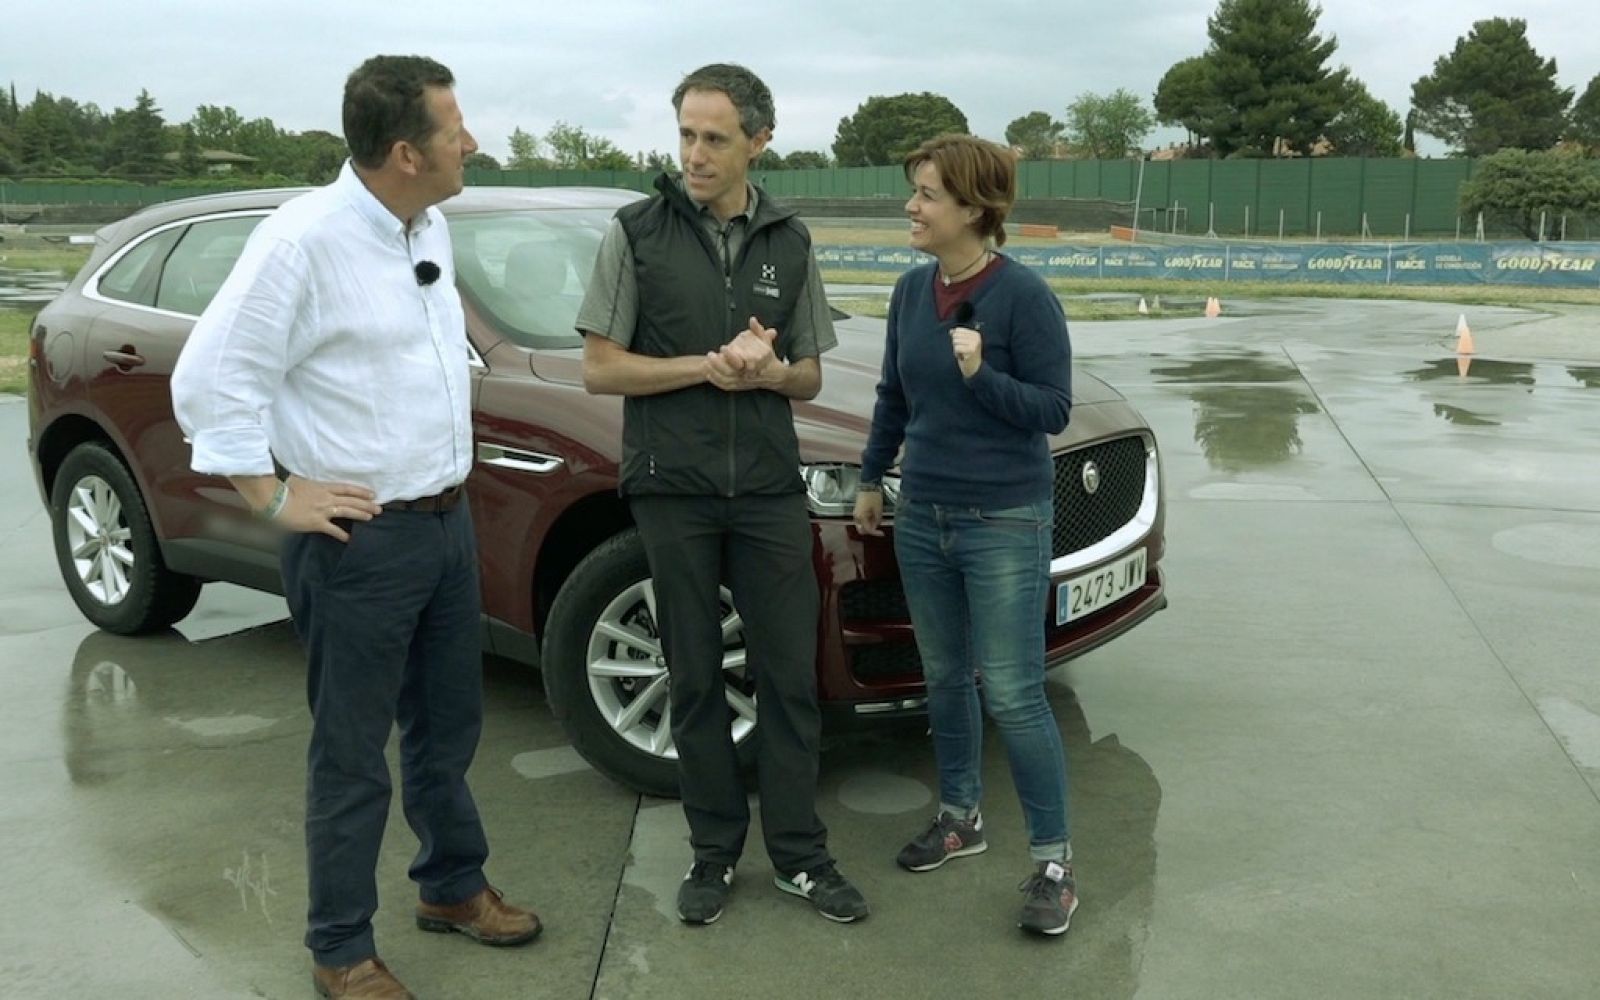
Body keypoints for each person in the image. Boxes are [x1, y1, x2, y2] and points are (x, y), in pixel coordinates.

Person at [171, 55, 539, 998]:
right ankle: (340, 948)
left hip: (444, 527)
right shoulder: (303, 242)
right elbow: (210, 380)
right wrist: (270, 497)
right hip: (359, 544)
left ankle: (451, 887)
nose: (473, 142)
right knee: (352, 756)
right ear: (407, 152)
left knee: (446, 731)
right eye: (455, 129)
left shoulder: (427, 225)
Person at [575, 62, 867, 926]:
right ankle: (713, 854)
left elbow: (809, 375)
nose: (695, 155)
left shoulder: (790, 240)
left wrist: (769, 372)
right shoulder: (636, 232)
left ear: (758, 142)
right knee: (695, 676)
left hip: (769, 489)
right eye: (686, 135)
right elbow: (600, 369)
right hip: (674, 490)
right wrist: (706, 366)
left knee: (790, 677)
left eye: (715, 138)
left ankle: (802, 857)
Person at [853, 134, 1078, 936]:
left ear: (975, 210)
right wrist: (872, 478)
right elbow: (893, 395)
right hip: (924, 516)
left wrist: (984, 375)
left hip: (1004, 520)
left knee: (1013, 692)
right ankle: (960, 818)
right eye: (913, 190)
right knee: (944, 678)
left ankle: (1054, 864)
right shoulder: (911, 293)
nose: (911, 206)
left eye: (927, 194)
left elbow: (1053, 410)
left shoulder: (1024, 297)